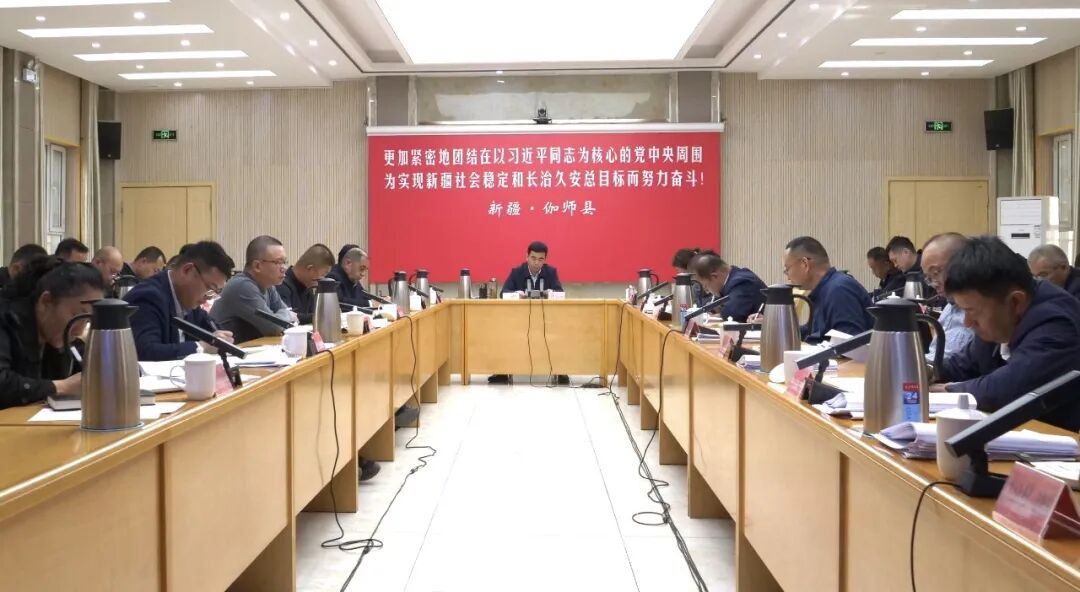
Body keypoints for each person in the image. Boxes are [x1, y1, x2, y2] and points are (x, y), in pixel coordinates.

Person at [934, 236, 1080, 431]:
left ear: (1015, 302)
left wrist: (950, 391)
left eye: (971, 311)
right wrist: (925, 370)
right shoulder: (999, 311)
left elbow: (1006, 389)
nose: (967, 323)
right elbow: (963, 364)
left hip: (1055, 441)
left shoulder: (1057, 322)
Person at [0, 257, 105, 409]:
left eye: (87, 320)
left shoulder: (56, 334)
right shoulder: (6, 319)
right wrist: (62, 387)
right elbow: (3, 383)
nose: (79, 330)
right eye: (77, 316)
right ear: (46, 302)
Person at [125, 241, 235, 361]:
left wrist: (223, 338)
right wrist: (201, 347)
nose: (209, 297)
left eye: (216, 292)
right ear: (187, 270)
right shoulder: (147, 296)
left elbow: (213, 329)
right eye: (210, 288)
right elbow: (146, 351)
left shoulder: (189, 299)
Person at [781, 236, 873, 342]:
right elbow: (812, 331)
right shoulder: (825, 289)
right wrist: (781, 331)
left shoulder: (839, 291)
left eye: (787, 269)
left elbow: (850, 345)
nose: (788, 277)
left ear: (804, 264)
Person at [210, 235, 294, 343]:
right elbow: (275, 327)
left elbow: (288, 318)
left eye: (285, 262)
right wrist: (288, 315)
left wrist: (285, 315)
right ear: (257, 266)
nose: (284, 268)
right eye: (278, 262)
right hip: (222, 351)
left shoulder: (268, 285)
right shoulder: (242, 286)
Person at [920, 233, 975, 363]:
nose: (933, 284)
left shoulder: (981, 306)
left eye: (935, 273)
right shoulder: (949, 306)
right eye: (929, 278)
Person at [690, 252, 766, 322]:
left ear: (714, 276)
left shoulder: (741, 282)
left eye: (705, 285)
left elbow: (731, 314)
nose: (706, 291)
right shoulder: (733, 278)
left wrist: (713, 315)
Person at [276, 244, 335, 324]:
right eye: (323, 274)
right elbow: (288, 319)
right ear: (310, 269)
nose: (322, 279)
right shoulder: (281, 285)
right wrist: (322, 316)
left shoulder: (307, 285)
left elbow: (313, 314)